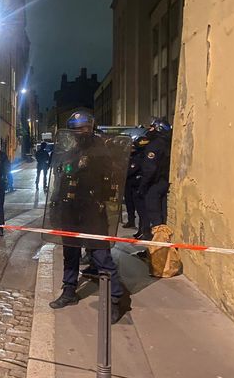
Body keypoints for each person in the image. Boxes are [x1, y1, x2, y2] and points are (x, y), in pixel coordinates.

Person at [48, 111, 124, 323]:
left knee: (100, 255)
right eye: (76, 129)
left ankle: (114, 298)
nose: (80, 133)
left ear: (91, 128)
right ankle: (69, 290)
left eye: (83, 128)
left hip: (92, 211)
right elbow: (62, 178)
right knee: (70, 252)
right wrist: (56, 205)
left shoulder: (102, 151)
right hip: (70, 210)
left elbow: (111, 177)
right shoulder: (71, 151)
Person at [138, 117, 172, 240]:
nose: (149, 129)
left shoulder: (154, 145)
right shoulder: (167, 144)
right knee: (162, 218)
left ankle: (156, 250)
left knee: (155, 220)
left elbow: (150, 169)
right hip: (163, 183)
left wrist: (143, 186)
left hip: (154, 185)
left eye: (152, 127)